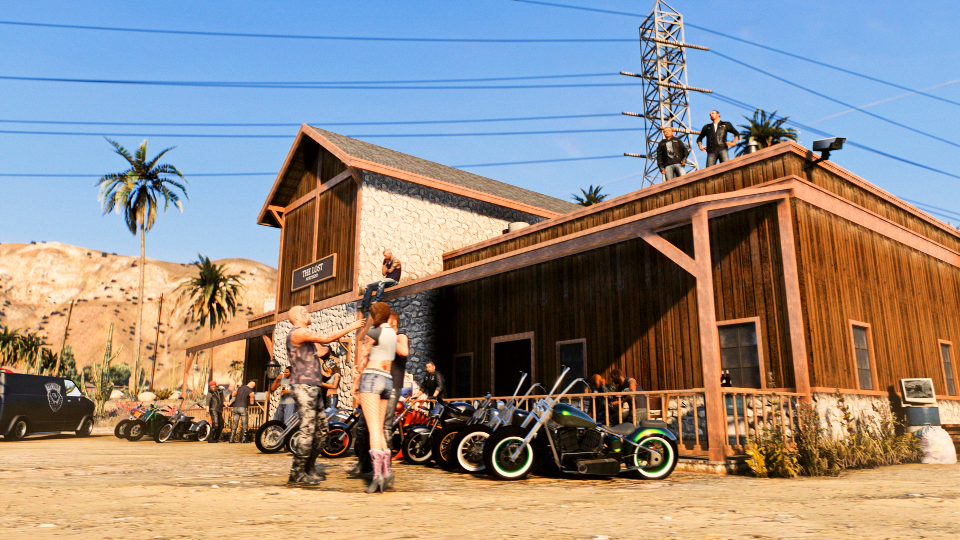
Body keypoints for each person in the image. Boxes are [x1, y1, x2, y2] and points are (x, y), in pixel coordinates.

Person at [285, 305, 365, 487]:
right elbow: (327, 338)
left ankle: (308, 468)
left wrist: (323, 350)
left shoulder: (306, 338)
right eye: (305, 312)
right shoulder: (298, 333)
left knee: (321, 430)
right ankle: (297, 474)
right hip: (303, 387)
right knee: (308, 430)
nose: (309, 314)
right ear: (296, 317)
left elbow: (322, 351)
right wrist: (352, 326)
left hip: (313, 387)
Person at [352, 302, 398, 493]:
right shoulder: (393, 334)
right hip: (387, 379)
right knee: (380, 429)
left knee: (373, 431)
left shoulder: (374, 332)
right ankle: (387, 473)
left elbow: (364, 359)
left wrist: (356, 382)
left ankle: (377, 475)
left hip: (371, 378)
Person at [385, 310, 409, 450]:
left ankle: (385, 457)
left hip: (393, 384)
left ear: (393, 322)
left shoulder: (400, 336)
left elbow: (404, 351)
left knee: (385, 424)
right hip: (380, 383)